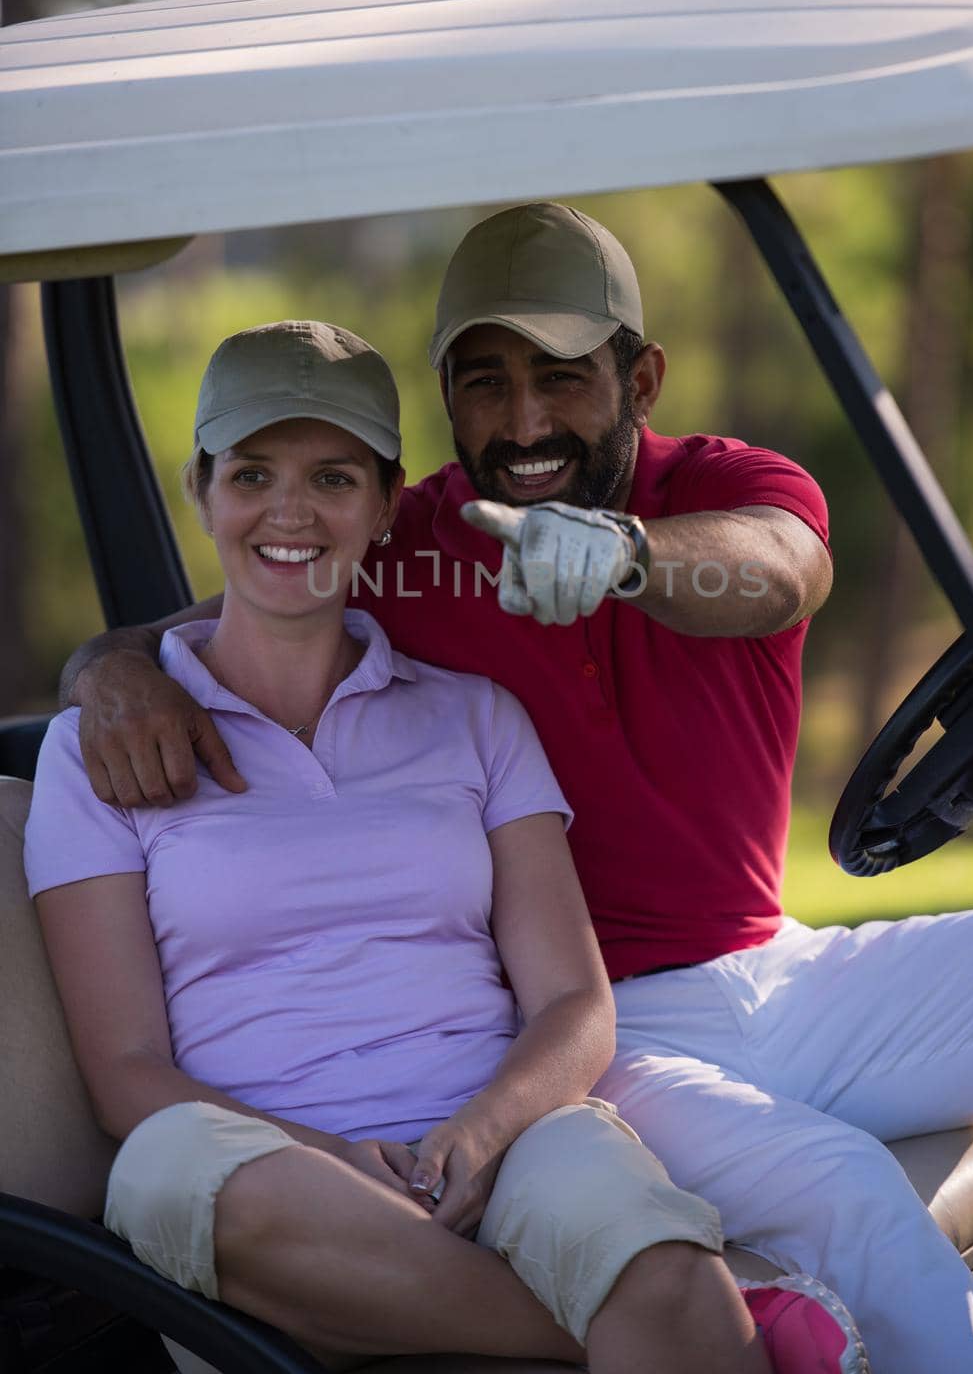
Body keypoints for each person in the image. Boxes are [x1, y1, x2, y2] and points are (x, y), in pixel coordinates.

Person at [61, 204, 973, 1372]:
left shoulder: (726, 487)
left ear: (641, 377)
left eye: (562, 377)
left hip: (778, 964)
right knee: (845, 1192)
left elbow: (780, 571)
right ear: (446, 396)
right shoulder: (412, 540)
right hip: (606, 1023)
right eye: (486, 382)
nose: (525, 419)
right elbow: (240, 604)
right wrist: (106, 665)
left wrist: (629, 556)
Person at [25, 319, 866, 1374]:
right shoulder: (100, 748)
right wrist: (336, 1164)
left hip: (501, 1140)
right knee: (166, 1169)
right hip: (267, 1173)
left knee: (652, 1256)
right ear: (201, 489)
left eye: (333, 478)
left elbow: (574, 1003)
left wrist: (474, 1136)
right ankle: (654, 1333)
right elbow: (126, 1071)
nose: (290, 512)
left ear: (386, 507)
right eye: (252, 473)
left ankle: (670, 1310)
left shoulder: (474, 717)